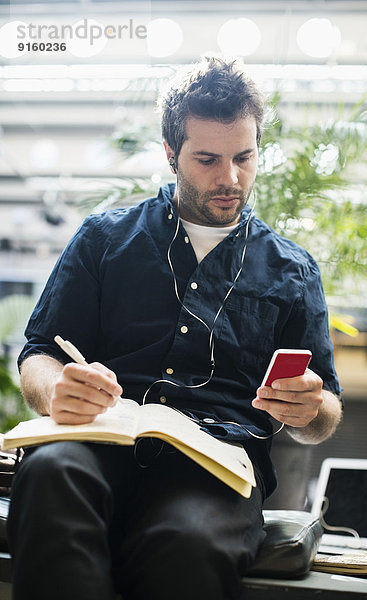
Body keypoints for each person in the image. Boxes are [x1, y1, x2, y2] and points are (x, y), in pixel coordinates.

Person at [8, 56, 342, 600]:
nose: (230, 178)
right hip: (100, 440)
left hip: (216, 464)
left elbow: (324, 412)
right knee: (49, 473)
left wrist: (310, 409)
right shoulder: (103, 239)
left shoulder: (292, 269)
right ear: (171, 154)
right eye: (208, 159)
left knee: (185, 540)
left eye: (245, 157)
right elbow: (41, 353)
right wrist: (55, 392)